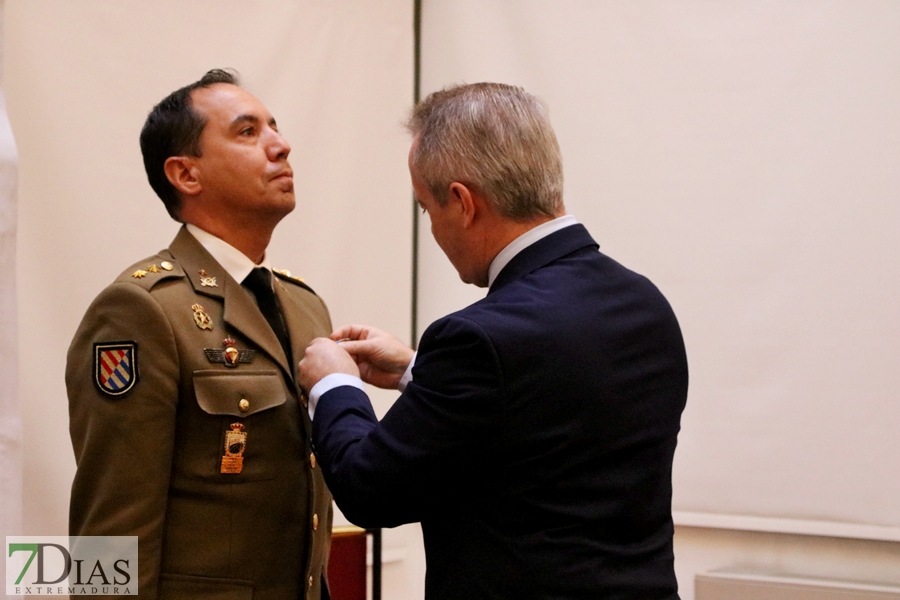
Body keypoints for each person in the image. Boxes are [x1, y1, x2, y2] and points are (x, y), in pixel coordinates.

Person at [298, 82, 689, 599]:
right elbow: (548, 410)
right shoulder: (644, 303)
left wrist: (335, 386)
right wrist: (418, 372)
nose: (432, 227)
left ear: (463, 202)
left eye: (426, 209)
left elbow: (370, 490)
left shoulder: (479, 339)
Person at [67, 69, 333, 600]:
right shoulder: (142, 309)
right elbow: (109, 529)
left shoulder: (305, 306)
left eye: (275, 127)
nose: (280, 145)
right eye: (248, 132)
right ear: (186, 174)